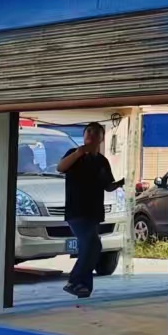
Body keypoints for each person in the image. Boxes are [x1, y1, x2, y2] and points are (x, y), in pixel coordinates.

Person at [56, 122, 123, 298]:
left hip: (94, 212)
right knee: (92, 244)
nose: (91, 135)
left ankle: (83, 286)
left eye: (95, 132)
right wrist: (78, 153)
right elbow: (60, 168)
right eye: (88, 132)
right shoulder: (74, 154)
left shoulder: (102, 161)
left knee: (91, 247)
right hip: (76, 211)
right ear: (84, 135)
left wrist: (121, 184)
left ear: (102, 138)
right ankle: (75, 280)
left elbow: (108, 185)